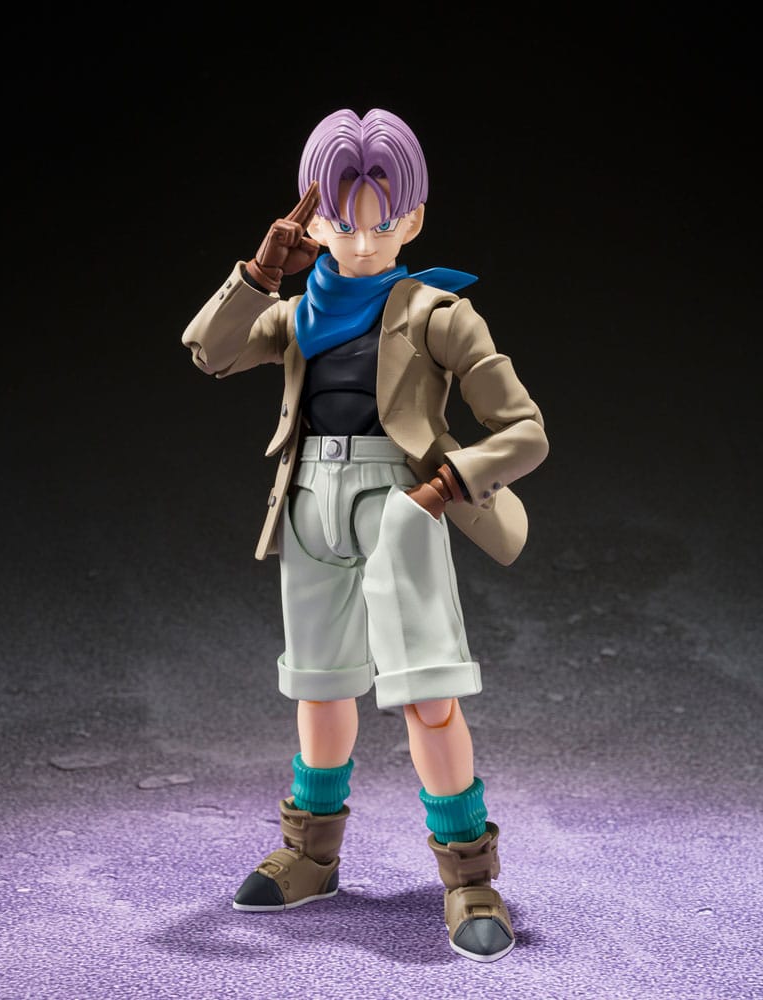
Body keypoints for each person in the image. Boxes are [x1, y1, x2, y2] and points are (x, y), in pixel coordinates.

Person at [181, 108, 548, 963]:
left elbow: (525, 431)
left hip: (401, 501)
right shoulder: (295, 313)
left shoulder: (438, 313)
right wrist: (258, 273)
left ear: (412, 220)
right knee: (319, 686)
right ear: (315, 223)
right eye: (344, 222)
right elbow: (207, 351)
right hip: (308, 497)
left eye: (382, 223)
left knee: (428, 691)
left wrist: (443, 487)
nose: (363, 240)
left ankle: (469, 877)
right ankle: (311, 856)